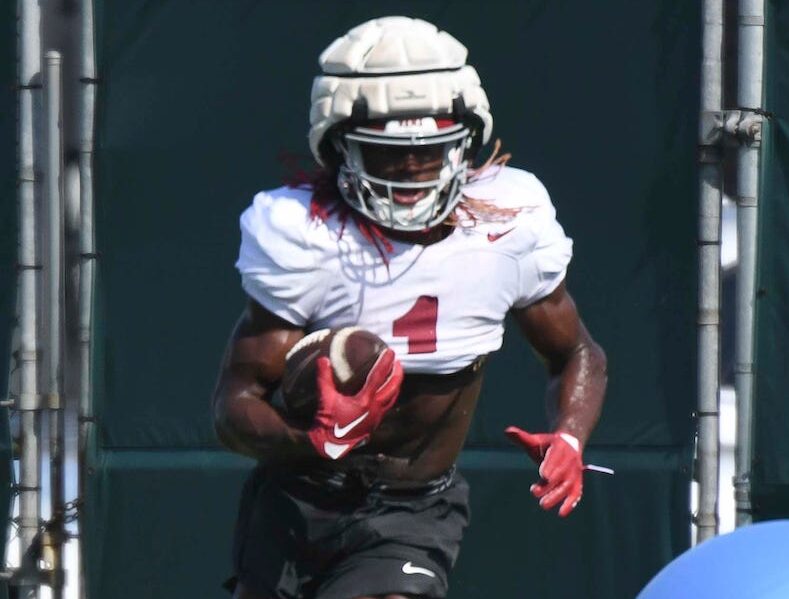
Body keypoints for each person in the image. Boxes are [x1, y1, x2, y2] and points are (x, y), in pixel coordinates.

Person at [212, 16, 607, 599]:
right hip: (296, 503)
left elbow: (576, 351)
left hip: (412, 509)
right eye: (387, 155)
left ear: (464, 147)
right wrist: (312, 440)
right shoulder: (306, 237)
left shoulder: (507, 230)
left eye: (429, 153)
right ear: (340, 148)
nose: (410, 175)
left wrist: (569, 436)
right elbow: (232, 407)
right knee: (359, 356)